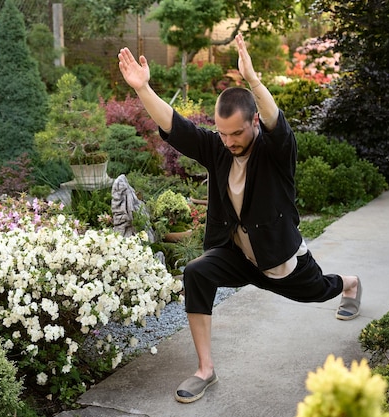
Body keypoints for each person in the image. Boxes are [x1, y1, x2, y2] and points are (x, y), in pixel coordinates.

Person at [117, 33, 362, 404]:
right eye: (222, 131)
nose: (228, 140)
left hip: (278, 258)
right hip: (234, 253)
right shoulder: (218, 147)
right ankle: (205, 369)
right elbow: (177, 128)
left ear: (254, 124)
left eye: (236, 132)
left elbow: (278, 122)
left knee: (318, 291)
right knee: (197, 272)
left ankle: (350, 283)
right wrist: (143, 89)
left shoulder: (276, 152)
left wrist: (254, 82)